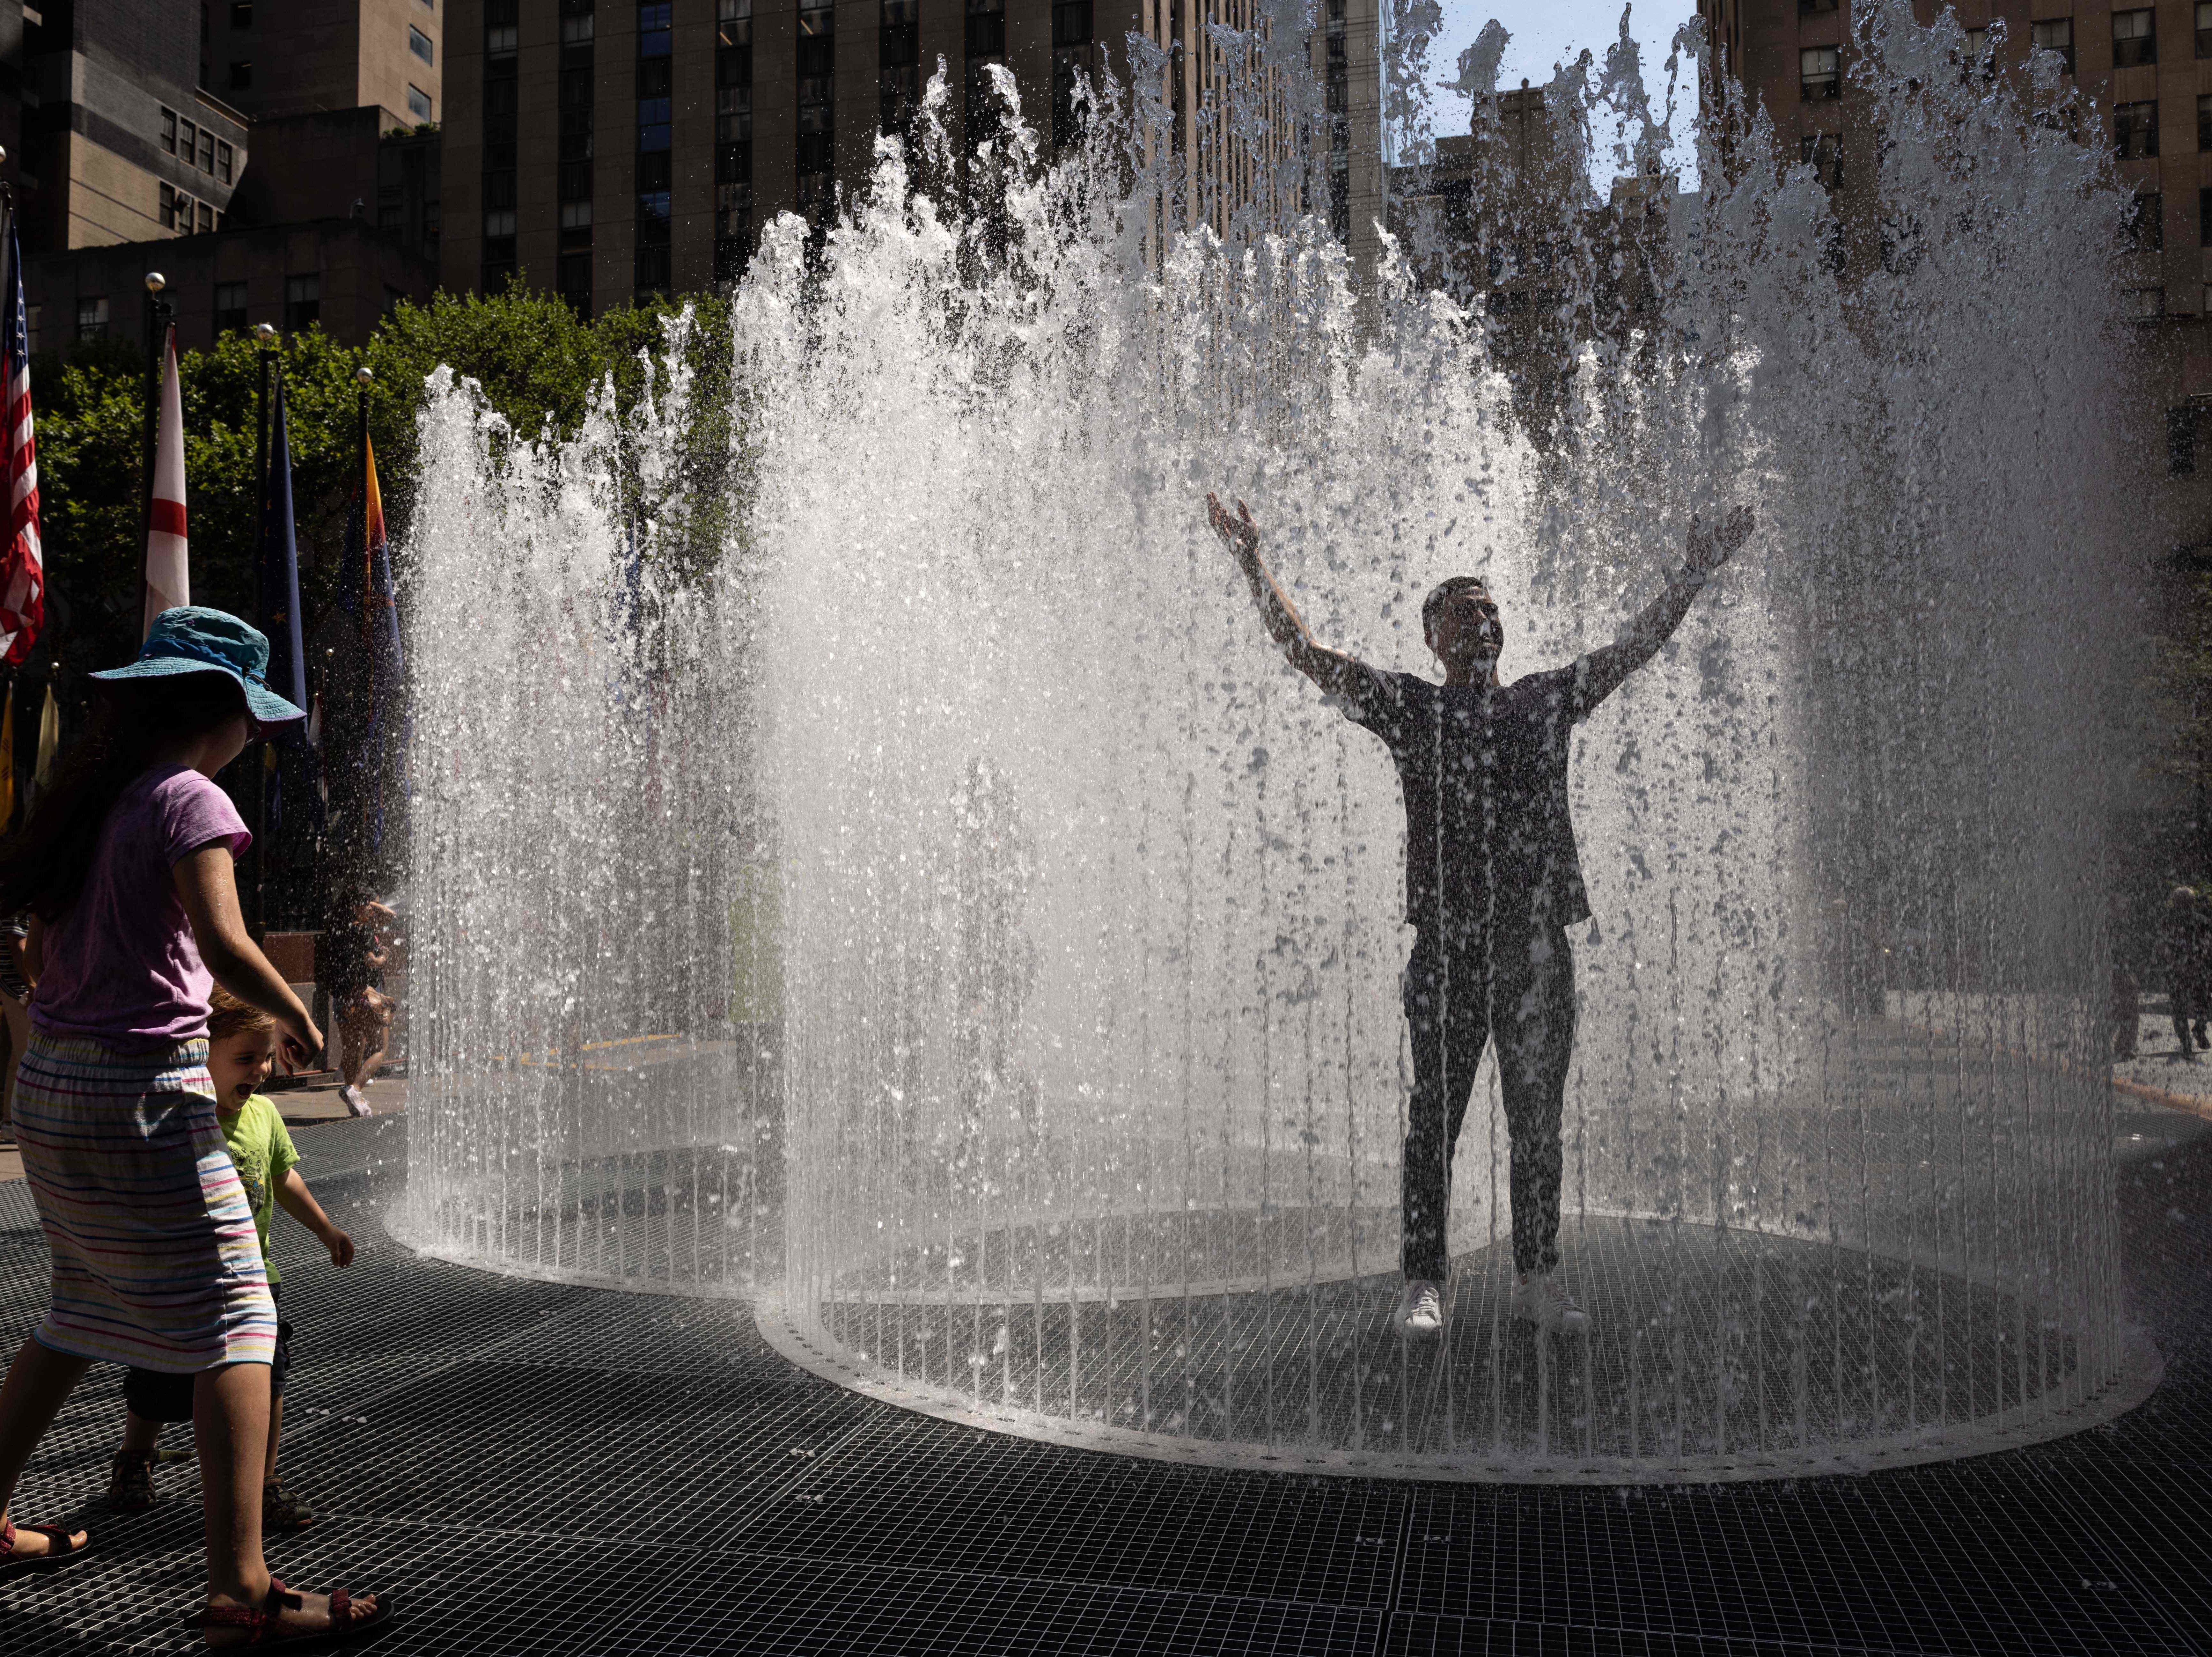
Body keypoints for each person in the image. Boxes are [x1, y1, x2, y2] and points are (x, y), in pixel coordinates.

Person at [1207, 492, 1756, 1338]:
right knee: (1435, 1117)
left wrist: (1692, 572)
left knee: (1535, 1120)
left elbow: (1633, 649)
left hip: (1536, 947)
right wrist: (1251, 561)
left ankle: (1538, 1273)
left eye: (1492, 610)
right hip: (1448, 947)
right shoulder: (1412, 708)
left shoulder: (1542, 700)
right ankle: (1426, 1279)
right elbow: (1304, 651)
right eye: (1465, 613)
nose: (1483, 623)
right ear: (1433, 635)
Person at [0, 608, 390, 1644]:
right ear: (219, 711)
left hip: (51, 1085)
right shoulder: (187, 797)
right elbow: (224, 938)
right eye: (252, 719)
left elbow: (39, 963)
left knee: (77, 1308)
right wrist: (302, 1012)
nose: (255, 737)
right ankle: (243, 1589)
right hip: (141, 1092)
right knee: (240, 1318)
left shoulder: (91, 804)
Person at [107, 987, 356, 1531]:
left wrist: (326, 1229)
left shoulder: (264, 1115)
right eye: (245, 1058)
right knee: (158, 1378)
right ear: (200, 1054)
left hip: (254, 1280)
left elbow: (283, 1177)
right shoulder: (179, 1116)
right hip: (180, 1281)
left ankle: (263, 1485)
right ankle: (134, 1457)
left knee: (269, 1378)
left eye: (265, 1056)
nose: (261, 1069)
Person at [319, 891, 394, 1118]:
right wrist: (384, 959)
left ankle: (355, 1101)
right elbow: (371, 961)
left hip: (342, 999)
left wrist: (363, 903)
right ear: (356, 907)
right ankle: (356, 1089)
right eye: (368, 906)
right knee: (380, 1048)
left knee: (352, 1048)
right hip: (362, 997)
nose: (372, 909)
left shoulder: (336, 930)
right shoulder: (363, 930)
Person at [2158, 886, 2208, 1061]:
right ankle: (2186, 1042)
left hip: (2194, 969)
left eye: (2186, 901)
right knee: (2182, 1007)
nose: (2184, 905)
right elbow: (2164, 946)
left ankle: (2199, 1031)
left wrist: (2197, 964)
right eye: (2181, 901)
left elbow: (2206, 945)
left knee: (2202, 1005)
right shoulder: (2168, 921)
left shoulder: (2201, 921)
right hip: (2181, 971)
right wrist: (2177, 965)